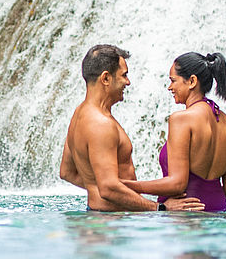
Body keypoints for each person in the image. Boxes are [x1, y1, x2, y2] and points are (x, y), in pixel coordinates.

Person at [59, 44, 203, 212]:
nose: (128, 82)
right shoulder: (101, 124)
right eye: (124, 75)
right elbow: (108, 188)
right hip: (111, 222)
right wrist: (159, 208)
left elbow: (67, 172)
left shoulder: (79, 114)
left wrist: (95, 188)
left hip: (98, 217)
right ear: (106, 78)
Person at [123, 52, 226, 212]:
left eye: (173, 80)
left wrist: (126, 186)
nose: (170, 87)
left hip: (186, 216)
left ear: (192, 81)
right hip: (220, 212)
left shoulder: (182, 119)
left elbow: (177, 184)